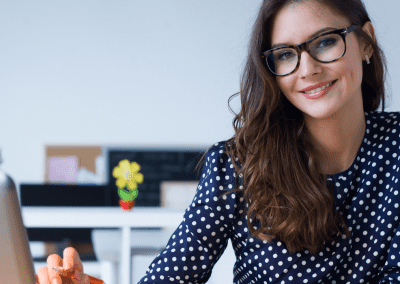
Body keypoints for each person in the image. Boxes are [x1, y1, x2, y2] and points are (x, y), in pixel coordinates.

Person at [37, 0, 400, 283]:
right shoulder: (238, 165)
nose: (307, 69)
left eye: (324, 42)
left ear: (365, 41)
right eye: (286, 54)